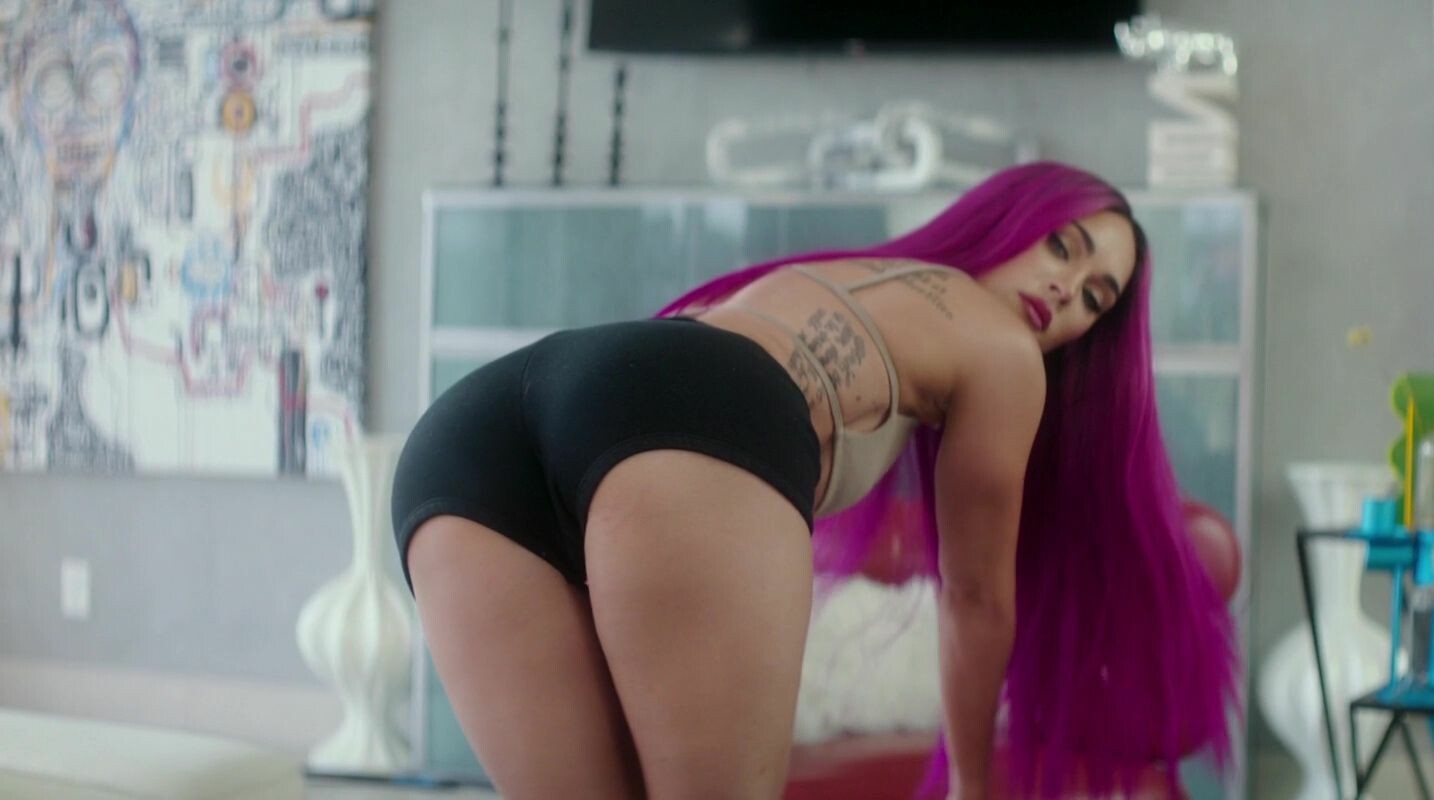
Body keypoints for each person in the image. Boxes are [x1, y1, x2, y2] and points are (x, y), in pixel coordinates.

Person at [391, 161, 1239, 799]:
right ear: (1009, 220)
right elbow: (977, 599)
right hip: (682, 415)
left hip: (470, 435)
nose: (1066, 290)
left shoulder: (819, 276)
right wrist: (971, 786)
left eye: (1095, 298)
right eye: (1062, 246)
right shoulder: (1003, 350)